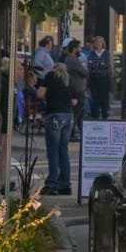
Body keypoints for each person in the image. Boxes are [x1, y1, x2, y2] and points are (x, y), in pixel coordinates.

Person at [39, 61, 75, 195]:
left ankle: (52, 184)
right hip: (68, 116)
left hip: (54, 115)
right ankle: (65, 184)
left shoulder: (50, 76)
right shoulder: (68, 79)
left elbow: (40, 94)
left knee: (53, 150)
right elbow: (74, 101)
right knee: (63, 150)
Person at [86, 36, 111, 121]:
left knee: (103, 97)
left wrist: (96, 65)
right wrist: (99, 65)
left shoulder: (106, 53)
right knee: (95, 97)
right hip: (93, 79)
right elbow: (90, 66)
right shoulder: (92, 54)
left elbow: (106, 66)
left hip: (103, 79)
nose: (98, 44)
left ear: (103, 43)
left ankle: (105, 114)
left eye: (100, 42)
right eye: (96, 42)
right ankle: (95, 115)